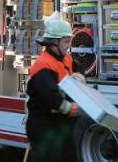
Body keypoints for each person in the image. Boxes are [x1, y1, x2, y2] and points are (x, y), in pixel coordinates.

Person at [25, 14, 82, 162]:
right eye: (66, 41)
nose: (69, 44)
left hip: (60, 124)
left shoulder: (65, 58)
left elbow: (78, 70)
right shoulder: (43, 66)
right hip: (44, 126)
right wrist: (76, 109)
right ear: (54, 42)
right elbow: (53, 99)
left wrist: (80, 77)